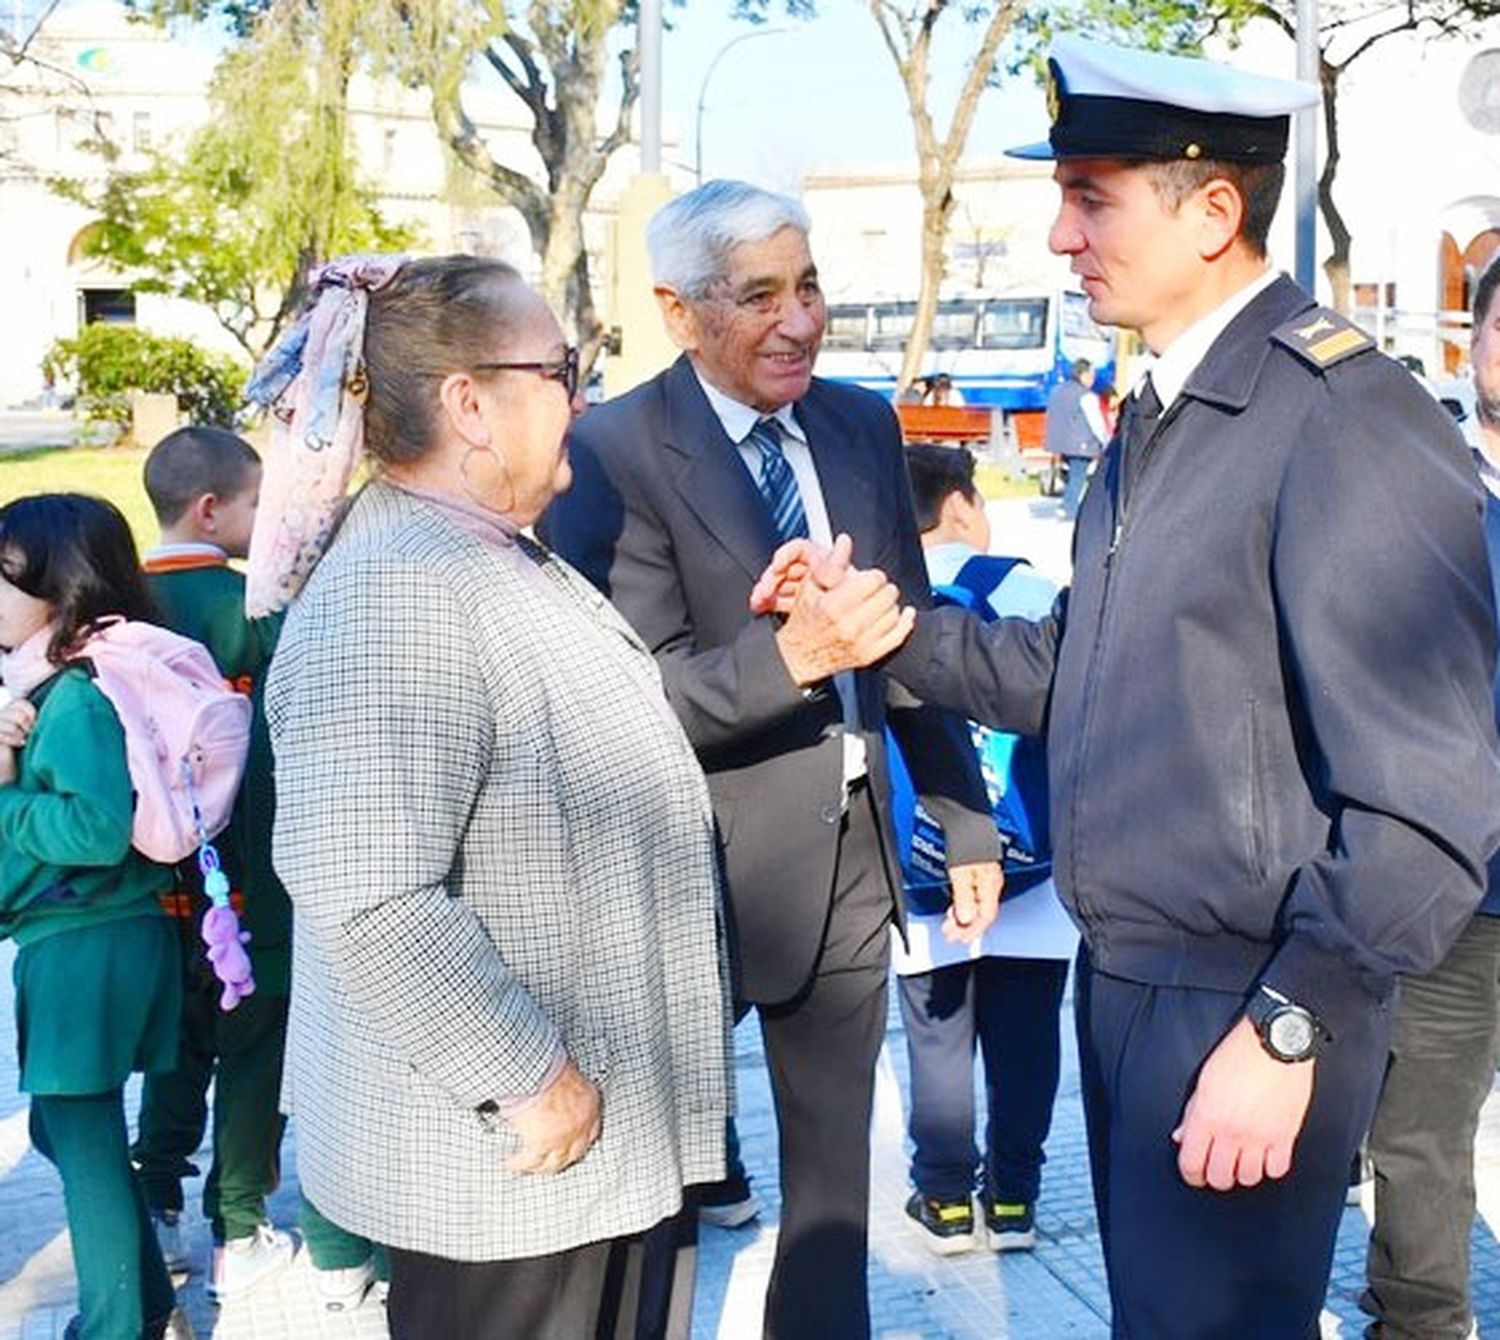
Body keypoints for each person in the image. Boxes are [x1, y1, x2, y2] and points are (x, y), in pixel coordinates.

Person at [755, 36, 1500, 1337]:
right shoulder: (1167, 410)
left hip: (1245, 999)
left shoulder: (1343, 420)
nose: (1057, 234)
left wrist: (1289, 1029)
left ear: (1215, 210)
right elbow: (1075, 670)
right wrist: (881, 633)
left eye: (1091, 196)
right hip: (1138, 985)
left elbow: (1430, 802)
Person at [538, 179, 1002, 1338]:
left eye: (809, 286)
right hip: (675, 879)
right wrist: (790, 656)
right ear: (679, 309)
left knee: (832, 1194)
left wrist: (963, 805)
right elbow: (610, 701)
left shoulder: (857, 424)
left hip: (848, 864)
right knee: (653, 1196)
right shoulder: (607, 451)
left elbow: (903, 628)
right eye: (760, 297)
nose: (800, 320)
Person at [255, 254, 731, 1340]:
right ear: (471, 402)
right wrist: (528, 1075)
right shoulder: (397, 592)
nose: (583, 394)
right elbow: (370, 893)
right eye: (564, 367)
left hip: (576, 1164)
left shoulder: (487, 554)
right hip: (511, 1173)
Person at [0, 493, 182, 1340]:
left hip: (84, 944)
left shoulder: (73, 697)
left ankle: (118, 1326)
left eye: (4, 582)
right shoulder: (63, 685)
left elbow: (96, 828)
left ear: (61, 590)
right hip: (101, 939)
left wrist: (2, 801)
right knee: (65, 1128)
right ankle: (144, 1306)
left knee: (83, 1135)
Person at [1361, 256, 1500, 1340]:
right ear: (1476, 344)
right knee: (1420, 1139)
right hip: (1460, 892)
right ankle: (1420, 1322)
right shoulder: (1424, 492)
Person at [894, 444, 1076, 1257]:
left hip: (925, 861)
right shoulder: (1031, 589)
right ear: (963, 504)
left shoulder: (887, 603)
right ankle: (1014, 1199)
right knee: (1027, 1033)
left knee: (937, 1035)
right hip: (1033, 860)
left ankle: (942, 1201)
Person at [132, 426, 297, 1301]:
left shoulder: (117, 611)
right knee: (253, 1037)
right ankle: (240, 1220)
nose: (262, 519)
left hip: (159, 877)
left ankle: (155, 1197)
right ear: (210, 509)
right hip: (251, 871)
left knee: (176, 1039)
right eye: (254, 503)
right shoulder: (254, 610)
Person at [1045, 358, 1105, 520]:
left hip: (1059, 441)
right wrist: (1105, 440)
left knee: (1071, 475)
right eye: (1092, 375)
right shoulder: (1086, 396)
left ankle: (1066, 504)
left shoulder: (1057, 391)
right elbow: (1096, 422)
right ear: (1083, 375)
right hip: (1081, 442)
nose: (1093, 380)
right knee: (1078, 476)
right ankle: (1069, 508)